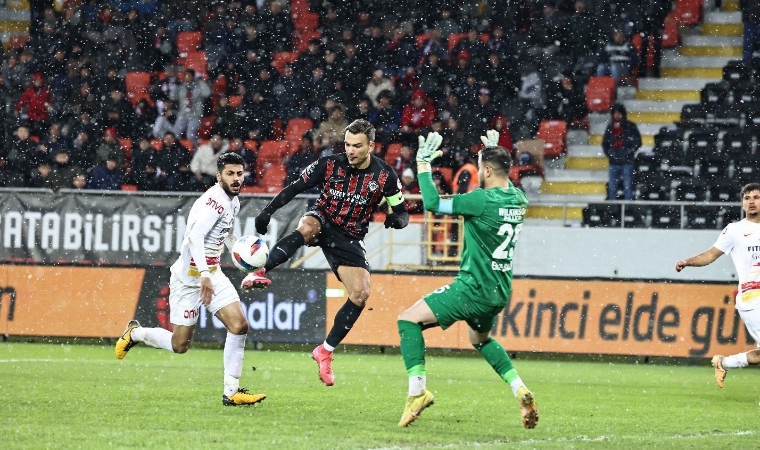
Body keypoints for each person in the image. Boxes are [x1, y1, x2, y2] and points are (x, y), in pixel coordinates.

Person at [242, 119, 410, 387]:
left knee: (361, 293)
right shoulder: (330, 164)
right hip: (323, 219)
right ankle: (260, 271)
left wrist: (396, 221)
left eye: (357, 146)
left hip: (350, 237)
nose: (351, 150)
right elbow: (295, 187)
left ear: (371, 146)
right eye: (347, 144)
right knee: (307, 227)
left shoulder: (385, 176)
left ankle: (325, 351)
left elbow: (402, 212)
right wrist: (267, 211)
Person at [395, 130, 538, 428]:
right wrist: (494, 151)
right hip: (499, 291)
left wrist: (423, 165)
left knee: (408, 321)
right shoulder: (519, 199)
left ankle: (417, 393)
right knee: (480, 339)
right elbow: (504, 182)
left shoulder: (480, 201)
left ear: (486, 170)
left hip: (472, 289)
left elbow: (433, 203)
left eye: (479, 164)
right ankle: (519, 388)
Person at [114, 152, 267, 406]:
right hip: (189, 278)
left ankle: (232, 392)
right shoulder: (212, 202)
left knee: (239, 325)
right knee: (180, 344)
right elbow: (195, 238)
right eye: (230, 174)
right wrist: (204, 275)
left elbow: (227, 237)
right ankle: (136, 333)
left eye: (239, 173)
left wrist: (248, 267)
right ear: (219, 176)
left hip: (212, 273)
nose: (236, 178)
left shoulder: (234, 202)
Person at [675, 183, 760, 399]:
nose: (751, 201)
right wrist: (688, 261)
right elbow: (711, 255)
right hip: (752, 298)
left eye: (756, 197)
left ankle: (724, 362)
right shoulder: (735, 230)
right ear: (742, 203)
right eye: (747, 197)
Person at [602, 103, 641, 200]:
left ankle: (628, 209)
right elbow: (605, 143)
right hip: (614, 162)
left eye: (619, 113)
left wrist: (628, 153)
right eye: (615, 113)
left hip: (627, 162)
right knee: (612, 187)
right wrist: (610, 154)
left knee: (628, 187)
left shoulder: (630, 126)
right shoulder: (610, 127)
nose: (617, 115)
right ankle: (613, 210)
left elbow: (638, 142)